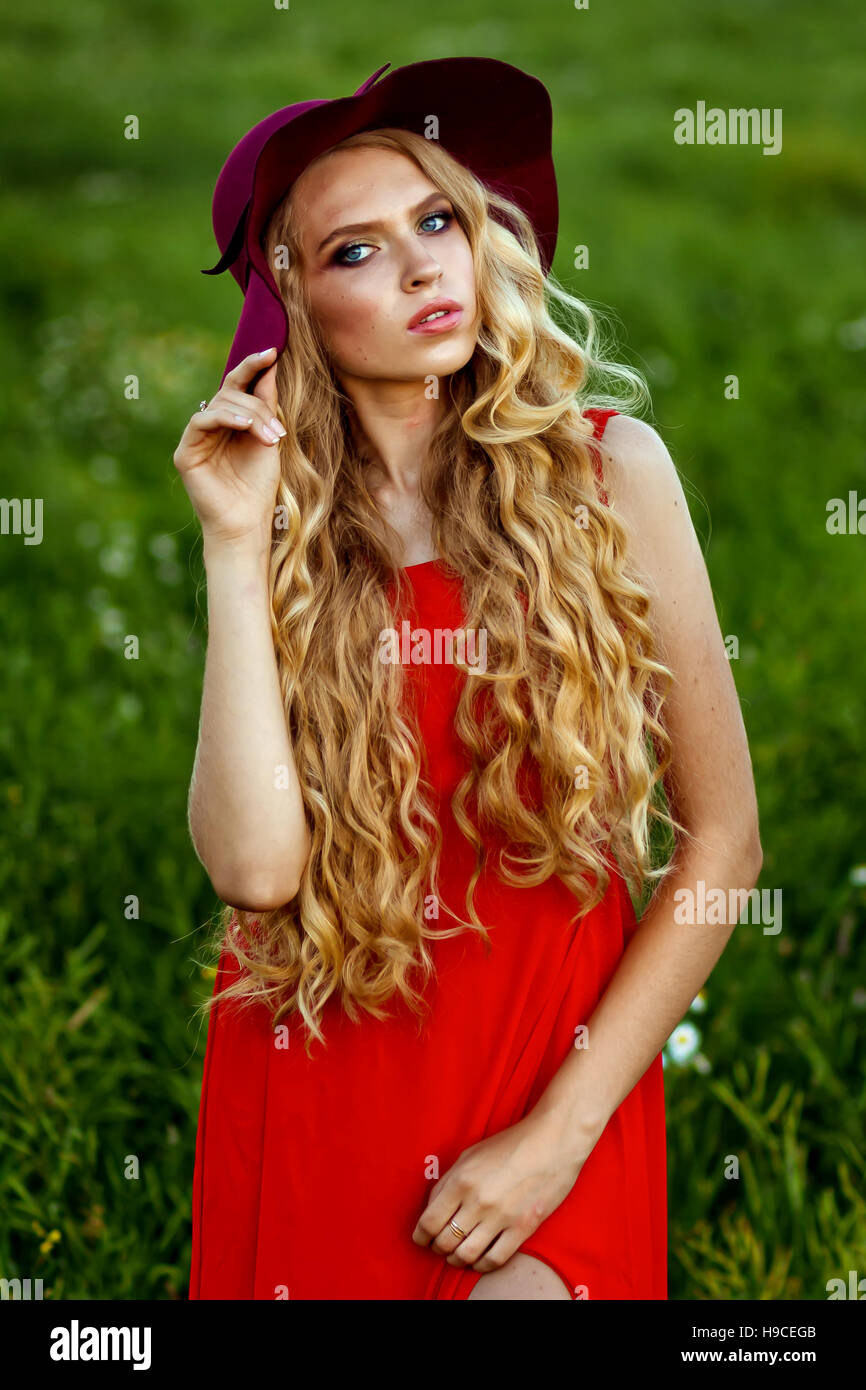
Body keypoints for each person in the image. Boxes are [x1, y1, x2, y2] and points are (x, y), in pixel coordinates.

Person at [174, 59, 763, 1301]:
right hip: (322, 1069)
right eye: (355, 251)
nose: (423, 267)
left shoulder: (608, 473)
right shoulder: (278, 534)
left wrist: (558, 1138)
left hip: (555, 1087)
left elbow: (723, 847)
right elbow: (253, 873)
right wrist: (234, 548)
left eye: (436, 221)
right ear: (291, 303)